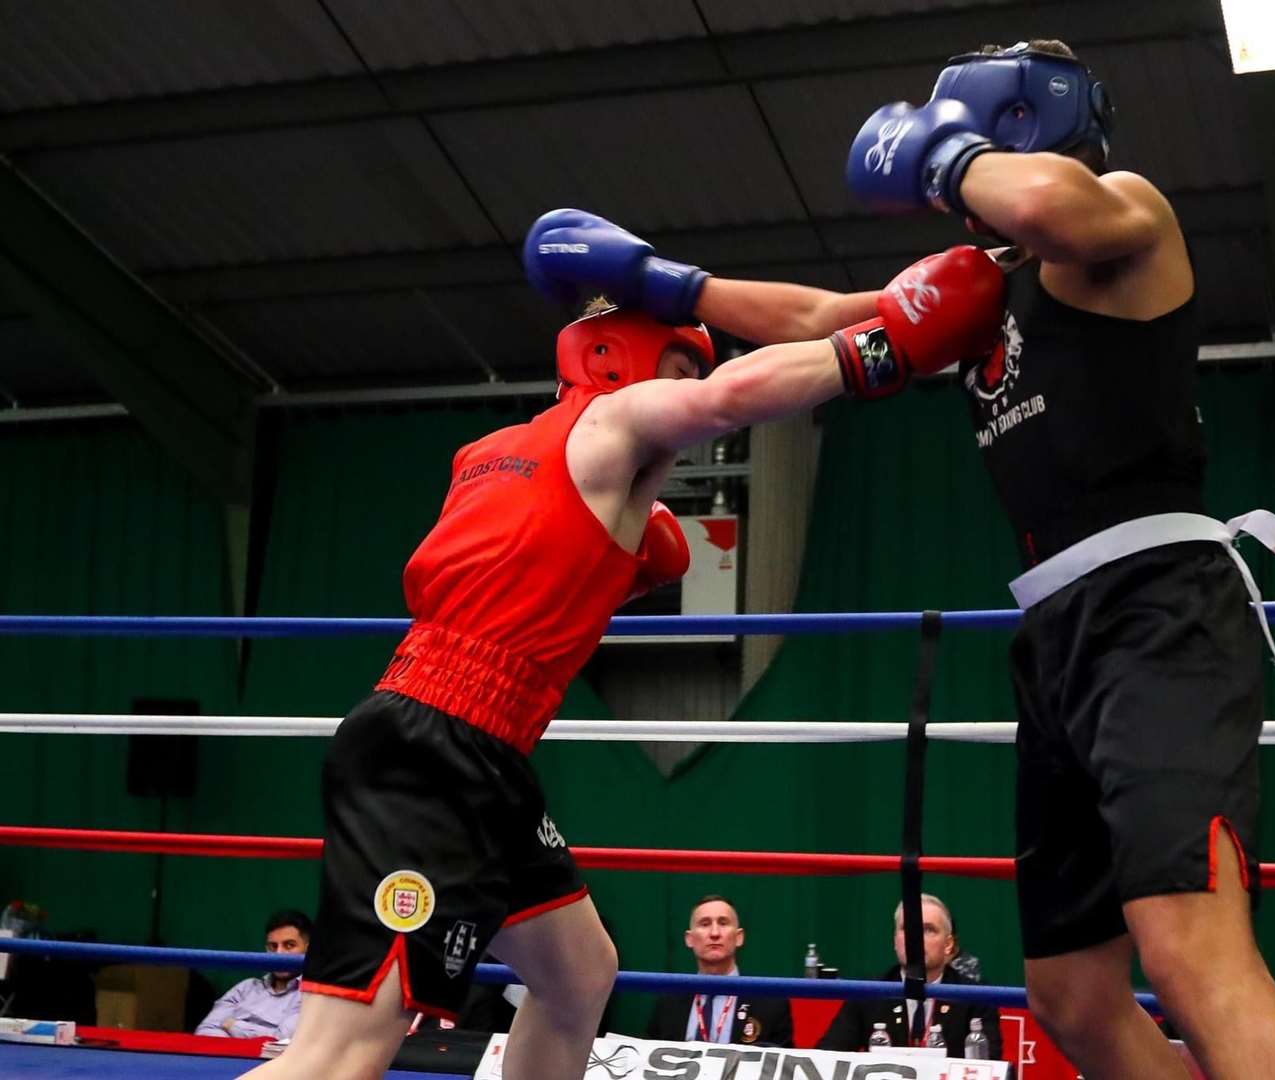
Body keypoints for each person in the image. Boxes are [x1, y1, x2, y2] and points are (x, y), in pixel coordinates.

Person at [526, 38, 1275, 1080]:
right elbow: (819, 321)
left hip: (1159, 606)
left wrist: (940, 152)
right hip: (1059, 633)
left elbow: (1051, 207)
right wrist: (667, 282)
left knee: (1190, 952)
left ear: (1019, 128)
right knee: (1073, 996)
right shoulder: (987, 281)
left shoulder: (1125, 213)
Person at [245, 243, 1004, 1080]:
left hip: (477, 749)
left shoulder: (493, 455)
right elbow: (727, 399)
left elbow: (501, 565)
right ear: (620, 359)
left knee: (579, 976)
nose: (683, 391)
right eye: (676, 365)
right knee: (341, 1053)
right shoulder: (606, 422)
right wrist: (884, 346)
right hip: (434, 753)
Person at [817, 894, 1001, 1058]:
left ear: (948, 944)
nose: (915, 938)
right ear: (895, 941)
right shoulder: (868, 993)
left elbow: (990, 1067)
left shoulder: (975, 998)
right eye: (907, 929)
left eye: (928, 930)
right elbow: (827, 1057)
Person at [645, 895, 792, 1046]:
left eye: (723, 923)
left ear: (739, 937)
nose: (714, 933)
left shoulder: (771, 1004)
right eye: (704, 924)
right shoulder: (667, 1004)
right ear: (689, 939)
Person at [194, 910, 311, 1040]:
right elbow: (205, 1031)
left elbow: (281, 1040)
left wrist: (233, 1025)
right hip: (228, 1059)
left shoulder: (310, 994)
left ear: (308, 949)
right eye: (273, 946)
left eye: (289, 945)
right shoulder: (246, 988)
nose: (279, 953)